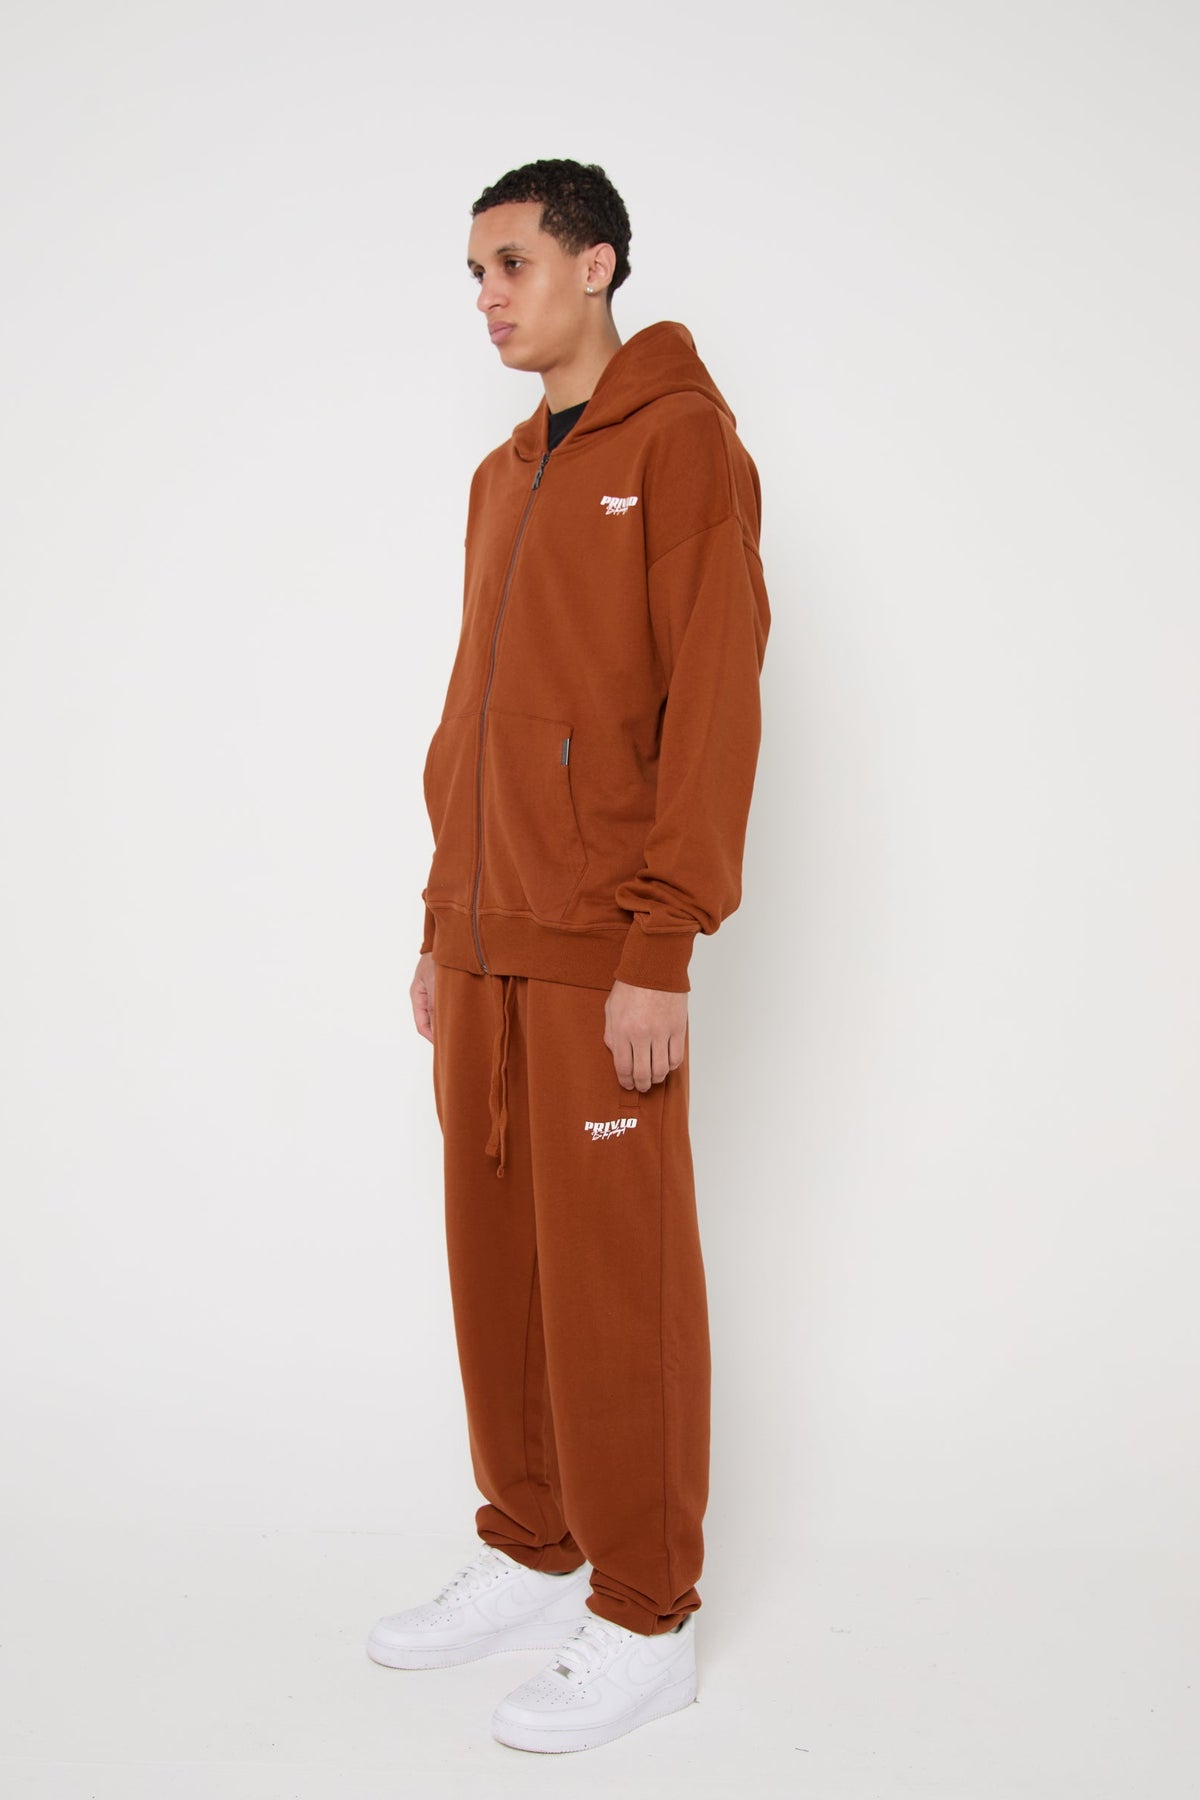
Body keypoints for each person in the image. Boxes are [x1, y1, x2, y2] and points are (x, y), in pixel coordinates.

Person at [366, 158, 771, 1755]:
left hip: (606, 942)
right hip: (483, 935)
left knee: (616, 1280)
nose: (488, 296)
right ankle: (533, 1550)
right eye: (474, 272)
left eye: (513, 263)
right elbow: (475, 709)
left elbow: (713, 699)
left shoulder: (682, 446)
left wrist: (662, 942)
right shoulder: (501, 475)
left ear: (596, 265)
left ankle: (647, 1612)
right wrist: (441, 916)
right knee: (496, 1264)